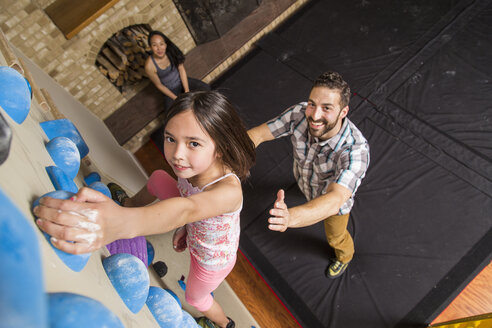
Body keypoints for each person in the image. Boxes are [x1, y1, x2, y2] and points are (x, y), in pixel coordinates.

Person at [34, 91, 256, 328]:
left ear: (220, 147)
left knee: (195, 297)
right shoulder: (191, 167)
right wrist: (186, 227)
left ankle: (225, 323)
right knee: (160, 178)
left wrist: (121, 222)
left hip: (211, 258)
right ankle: (128, 203)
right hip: (195, 223)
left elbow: (188, 209)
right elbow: (187, 209)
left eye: (193, 143)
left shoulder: (229, 191)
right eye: (171, 139)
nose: (177, 155)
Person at [247, 71, 370, 279]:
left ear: (343, 112)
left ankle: (344, 256)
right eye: (312, 104)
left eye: (327, 108)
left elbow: (333, 201)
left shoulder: (356, 151)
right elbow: (258, 134)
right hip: (304, 179)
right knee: (304, 186)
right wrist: (230, 155)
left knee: (336, 236)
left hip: (331, 206)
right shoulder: (299, 113)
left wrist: (290, 217)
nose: (314, 115)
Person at [145, 30, 210, 110]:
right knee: (171, 115)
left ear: (165, 44)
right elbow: (159, 85)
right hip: (170, 90)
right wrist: (176, 98)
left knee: (205, 88)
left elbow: (181, 69)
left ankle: (204, 110)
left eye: (161, 44)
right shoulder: (149, 66)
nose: (159, 48)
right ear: (150, 47)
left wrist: (186, 91)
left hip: (181, 81)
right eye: (155, 45)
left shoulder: (171, 52)